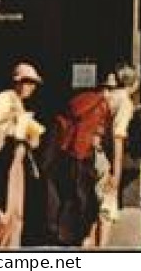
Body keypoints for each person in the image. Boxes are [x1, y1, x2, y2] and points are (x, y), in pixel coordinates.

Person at [0, 63, 46, 248]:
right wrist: (13, 127)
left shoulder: (18, 102)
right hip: (4, 163)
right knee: (3, 217)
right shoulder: (7, 98)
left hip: (15, 166)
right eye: (28, 82)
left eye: (33, 83)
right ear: (17, 82)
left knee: (14, 217)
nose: (32, 87)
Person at [43, 81, 112, 246]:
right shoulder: (101, 105)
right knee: (85, 197)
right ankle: (77, 235)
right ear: (105, 90)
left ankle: (62, 232)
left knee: (69, 193)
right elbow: (104, 133)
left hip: (68, 151)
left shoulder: (78, 100)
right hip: (85, 153)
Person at [93, 66, 139, 247]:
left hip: (90, 155)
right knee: (106, 208)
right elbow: (117, 138)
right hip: (104, 159)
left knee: (93, 208)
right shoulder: (124, 102)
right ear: (133, 84)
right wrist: (116, 173)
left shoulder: (105, 96)